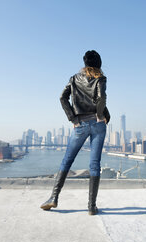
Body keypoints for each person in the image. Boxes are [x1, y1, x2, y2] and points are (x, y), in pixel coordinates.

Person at [40, 50, 110, 215]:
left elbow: (62, 98)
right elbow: (101, 98)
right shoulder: (100, 78)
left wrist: (73, 118)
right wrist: (101, 116)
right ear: (98, 64)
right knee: (94, 164)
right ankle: (91, 207)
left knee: (67, 161)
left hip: (81, 124)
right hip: (98, 124)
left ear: (85, 64)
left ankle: (53, 198)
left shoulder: (74, 79)